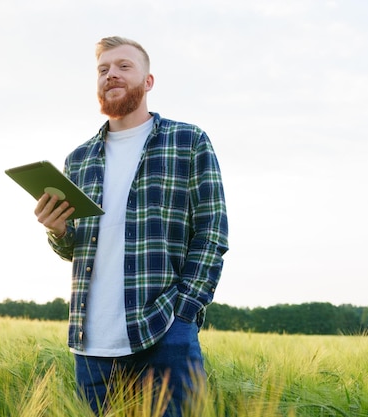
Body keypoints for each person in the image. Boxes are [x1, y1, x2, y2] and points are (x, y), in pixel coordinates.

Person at [34, 36, 228, 416]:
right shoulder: (78, 159)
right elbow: (76, 247)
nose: (112, 74)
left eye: (124, 66)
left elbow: (212, 232)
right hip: (90, 343)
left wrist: (183, 315)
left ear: (148, 81)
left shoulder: (187, 141)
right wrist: (57, 231)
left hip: (162, 332)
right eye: (103, 69)